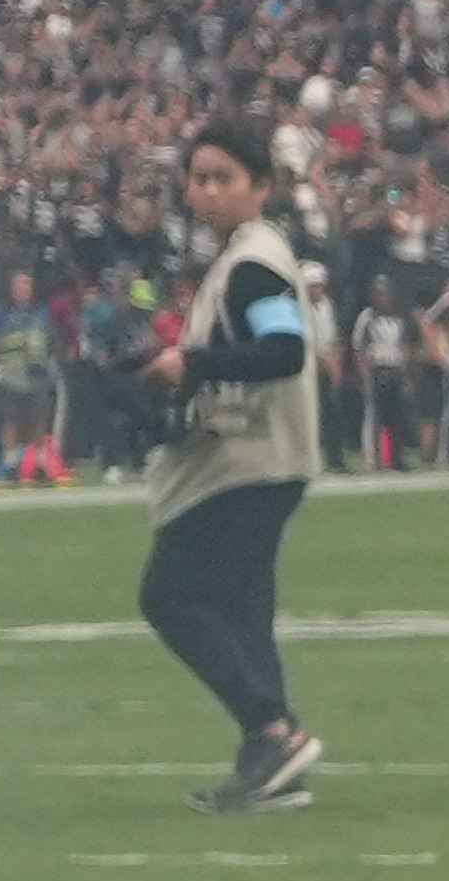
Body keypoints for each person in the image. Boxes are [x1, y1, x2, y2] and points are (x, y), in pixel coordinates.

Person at [135, 121, 323, 814]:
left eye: (224, 178)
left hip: (249, 462)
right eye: (198, 178)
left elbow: (283, 350)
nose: (207, 191)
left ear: (262, 187)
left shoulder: (253, 262)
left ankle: (272, 730)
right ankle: (271, 763)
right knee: (243, 613)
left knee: (173, 595)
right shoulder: (240, 259)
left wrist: (194, 363)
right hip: (258, 460)